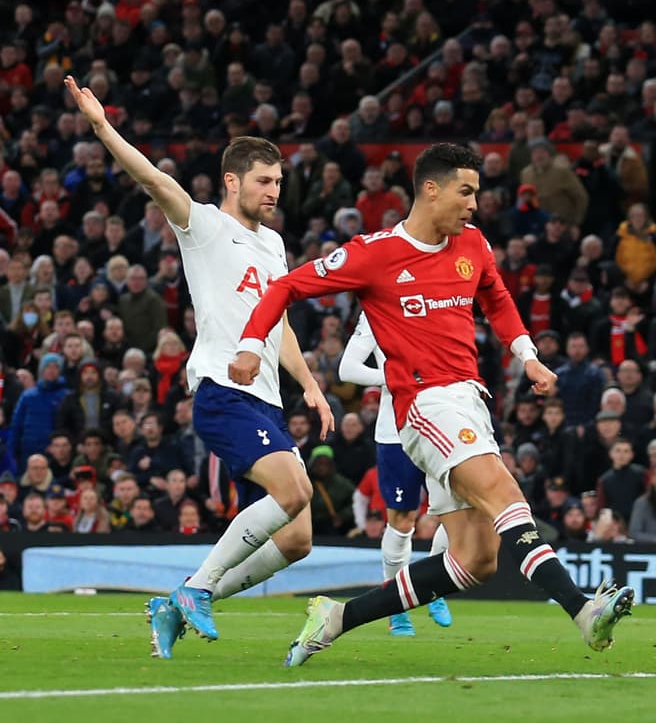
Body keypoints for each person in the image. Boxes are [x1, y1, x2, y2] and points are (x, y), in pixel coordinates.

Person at [229, 143, 633, 664]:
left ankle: (335, 618)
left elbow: (497, 299)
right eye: (466, 192)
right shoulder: (373, 253)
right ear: (431, 189)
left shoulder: (473, 245)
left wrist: (527, 356)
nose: (473, 205)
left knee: (476, 560)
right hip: (424, 405)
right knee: (505, 492)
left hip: (470, 400)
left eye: (478, 195)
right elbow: (285, 286)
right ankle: (582, 609)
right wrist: (247, 345)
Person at [65, 76, 335, 660]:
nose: (274, 191)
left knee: (298, 539)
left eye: (279, 182)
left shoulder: (275, 246)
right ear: (233, 181)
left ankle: (183, 597)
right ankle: (194, 590)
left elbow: (278, 324)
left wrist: (310, 386)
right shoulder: (206, 225)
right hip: (222, 390)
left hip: (266, 400)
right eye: (264, 181)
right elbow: (154, 179)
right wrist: (101, 125)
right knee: (294, 489)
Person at [338, 311, 453, 633]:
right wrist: (392, 377)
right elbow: (347, 368)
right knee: (402, 521)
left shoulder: (440, 299)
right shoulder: (375, 311)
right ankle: (396, 606)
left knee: (455, 510)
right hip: (397, 430)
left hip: (442, 422)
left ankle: (433, 586)